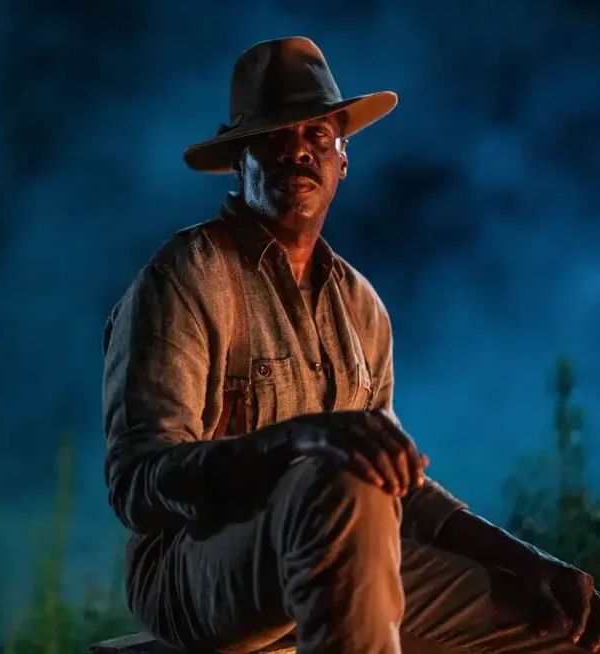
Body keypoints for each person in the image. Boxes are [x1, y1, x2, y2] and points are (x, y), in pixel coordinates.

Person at [101, 37, 600, 654]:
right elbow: (137, 482)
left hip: (341, 550)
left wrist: (525, 561)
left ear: (343, 157)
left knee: (559, 624)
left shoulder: (361, 309)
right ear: (239, 160)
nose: (296, 150)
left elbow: (396, 486)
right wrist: (299, 440)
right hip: (194, 569)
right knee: (332, 484)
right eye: (273, 134)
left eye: (317, 133)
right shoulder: (186, 277)